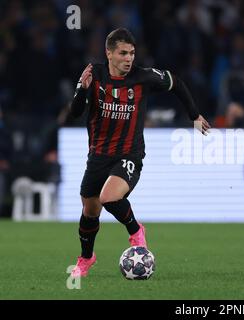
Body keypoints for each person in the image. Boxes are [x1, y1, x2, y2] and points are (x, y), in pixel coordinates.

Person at [69, 28, 210, 277]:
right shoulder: (95, 75)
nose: (129, 58)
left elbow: (175, 82)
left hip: (129, 154)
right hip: (98, 156)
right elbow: (75, 112)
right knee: (90, 211)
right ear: (109, 53)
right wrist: (82, 89)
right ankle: (86, 259)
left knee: (109, 197)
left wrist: (194, 115)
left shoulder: (142, 77)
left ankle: (136, 231)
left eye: (132, 53)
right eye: (123, 53)